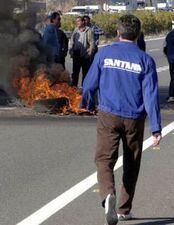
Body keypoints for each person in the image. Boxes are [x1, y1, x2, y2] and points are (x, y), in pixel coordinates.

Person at [81, 15, 162, 225]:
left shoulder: (105, 53)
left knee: (104, 159)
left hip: (108, 115)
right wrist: (156, 128)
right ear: (138, 35)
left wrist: (87, 105)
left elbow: (89, 85)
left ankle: (108, 194)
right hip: (134, 118)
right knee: (131, 162)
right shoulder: (145, 60)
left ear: (118, 33)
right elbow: (151, 96)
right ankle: (124, 209)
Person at [69, 16, 94, 87]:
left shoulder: (88, 30)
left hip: (85, 56)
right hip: (76, 55)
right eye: (76, 21)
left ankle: (84, 89)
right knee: (75, 73)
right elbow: (72, 41)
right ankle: (73, 89)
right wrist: (71, 51)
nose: (77, 23)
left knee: (85, 74)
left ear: (83, 22)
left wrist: (89, 54)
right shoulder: (76, 30)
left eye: (79, 21)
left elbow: (92, 43)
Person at [164, 29, 174, 102]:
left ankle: (171, 95)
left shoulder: (169, 35)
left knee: (173, 77)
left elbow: (165, 47)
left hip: (171, 58)